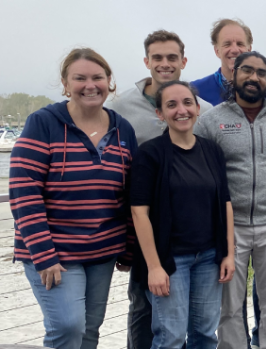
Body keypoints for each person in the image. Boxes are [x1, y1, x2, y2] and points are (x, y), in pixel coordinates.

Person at [10, 47, 137, 349]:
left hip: (102, 250)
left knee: (90, 328)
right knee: (68, 326)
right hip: (55, 251)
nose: (90, 85)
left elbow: (131, 194)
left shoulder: (123, 129)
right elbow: (23, 190)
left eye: (98, 77)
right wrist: (43, 254)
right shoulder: (43, 123)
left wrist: (129, 248)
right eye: (80, 78)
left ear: (109, 81)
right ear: (66, 84)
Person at [105, 29, 212, 349]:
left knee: (187, 314)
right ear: (146, 61)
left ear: (183, 61)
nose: (165, 63)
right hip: (141, 221)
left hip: (190, 226)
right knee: (142, 302)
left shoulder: (202, 109)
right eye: (158, 57)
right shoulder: (121, 106)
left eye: (171, 57)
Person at [195, 51, 266, 349]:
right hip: (231, 228)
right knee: (229, 306)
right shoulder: (211, 121)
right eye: (247, 70)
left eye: (261, 73)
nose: (253, 77)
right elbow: (197, 173)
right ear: (234, 74)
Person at [129, 81, 235, 349]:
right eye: (171, 105)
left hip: (209, 258)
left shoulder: (212, 150)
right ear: (160, 114)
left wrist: (229, 254)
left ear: (198, 108)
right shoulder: (150, 154)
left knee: (205, 336)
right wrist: (154, 267)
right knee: (170, 337)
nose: (181, 110)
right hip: (170, 261)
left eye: (187, 103)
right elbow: (139, 213)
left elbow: (225, 203)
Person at [191, 18, 266, 110]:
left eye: (240, 44)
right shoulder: (196, 91)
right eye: (227, 44)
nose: (235, 50)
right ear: (217, 51)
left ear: (249, 49)